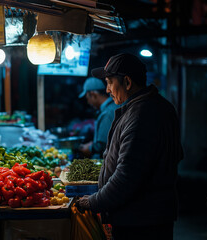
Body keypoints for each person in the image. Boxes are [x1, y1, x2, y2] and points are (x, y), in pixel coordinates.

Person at [76, 53, 183, 240]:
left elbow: (127, 176)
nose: (107, 90)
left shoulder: (142, 115)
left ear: (126, 82)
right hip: (146, 217)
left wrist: (94, 202)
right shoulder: (153, 106)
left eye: (109, 82)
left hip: (141, 222)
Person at [78, 77, 117, 159]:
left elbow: (103, 145)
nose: (88, 102)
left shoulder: (107, 113)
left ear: (93, 94)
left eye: (87, 98)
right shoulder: (112, 107)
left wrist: (89, 148)